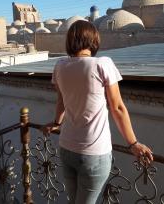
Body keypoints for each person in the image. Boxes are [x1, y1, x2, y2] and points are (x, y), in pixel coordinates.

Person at [43, 20, 153, 204]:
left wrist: (56, 123)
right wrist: (133, 143)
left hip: (66, 147)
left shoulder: (60, 65)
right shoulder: (103, 63)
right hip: (93, 153)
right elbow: (117, 107)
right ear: (93, 40)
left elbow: (61, 101)